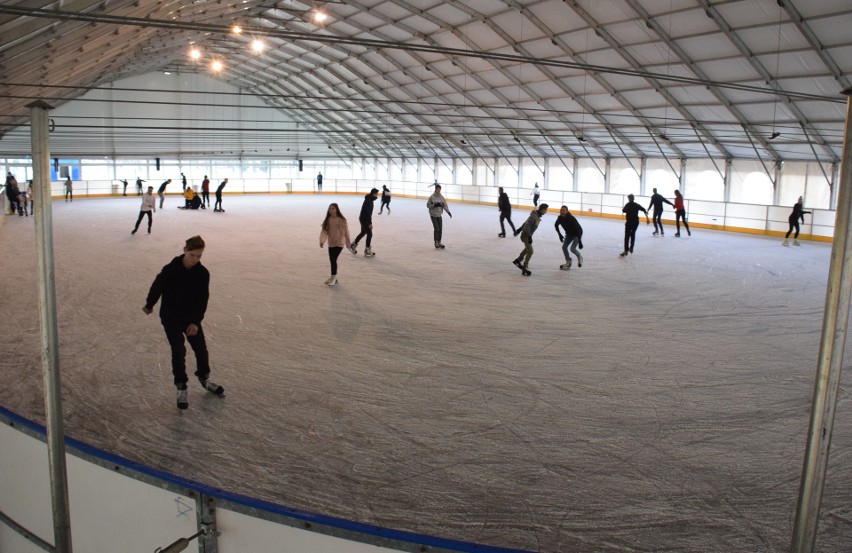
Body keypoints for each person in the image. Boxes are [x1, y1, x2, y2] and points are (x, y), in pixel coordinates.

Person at [143, 235, 224, 410]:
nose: (195, 259)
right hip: (170, 317)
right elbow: (157, 287)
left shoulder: (202, 274)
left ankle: (204, 378)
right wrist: (150, 304)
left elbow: (203, 299)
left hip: (190, 318)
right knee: (178, 350)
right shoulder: (170, 270)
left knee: (201, 350)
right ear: (185, 250)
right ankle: (181, 386)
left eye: (199, 256)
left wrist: (195, 322)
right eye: (192, 255)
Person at [319, 203, 352, 286]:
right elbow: (324, 231)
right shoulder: (328, 220)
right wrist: (322, 240)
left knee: (333, 259)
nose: (331, 210)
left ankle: (333, 277)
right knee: (332, 260)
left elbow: (346, 233)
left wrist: (348, 244)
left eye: (333, 208)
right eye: (329, 209)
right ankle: (333, 277)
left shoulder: (341, 220)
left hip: (339, 243)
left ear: (336, 209)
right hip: (331, 242)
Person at [513, 203, 549, 275]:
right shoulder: (534, 217)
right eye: (545, 210)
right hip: (525, 235)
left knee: (527, 249)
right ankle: (525, 266)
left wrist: (519, 229)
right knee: (530, 251)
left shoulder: (536, 216)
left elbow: (526, 223)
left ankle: (518, 260)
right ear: (542, 210)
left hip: (527, 235)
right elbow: (526, 226)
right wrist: (529, 236)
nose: (546, 212)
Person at [349, 188, 379, 257]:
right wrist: (370, 223)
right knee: (369, 234)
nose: (377, 195)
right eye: (376, 193)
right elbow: (368, 213)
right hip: (365, 219)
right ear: (374, 193)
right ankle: (367, 250)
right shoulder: (369, 201)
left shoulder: (369, 199)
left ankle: (353, 245)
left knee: (363, 232)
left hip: (362, 218)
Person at [427, 184, 452, 249]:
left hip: (439, 215)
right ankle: (436, 242)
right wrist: (434, 205)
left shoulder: (441, 197)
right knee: (436, 228)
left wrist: (448, 212)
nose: (438, 190)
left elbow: (445, 205)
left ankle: (439, 242)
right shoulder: (432, 197)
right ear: (435, 189)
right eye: (437, 189)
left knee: (440, 229)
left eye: (439, 189)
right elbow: (428, 205)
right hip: (433, 215)